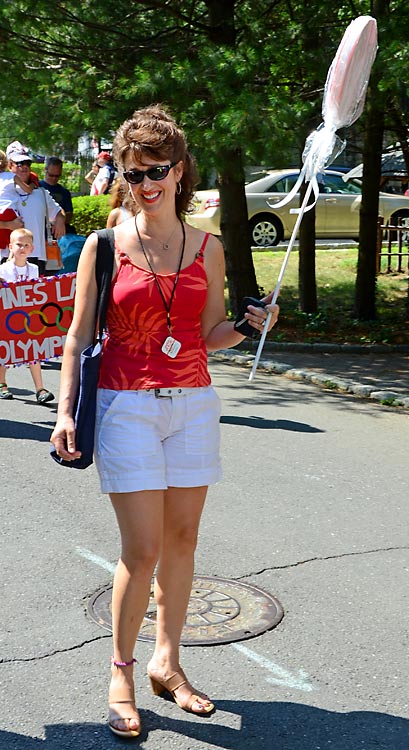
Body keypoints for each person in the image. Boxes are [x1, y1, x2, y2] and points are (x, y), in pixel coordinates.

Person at [50, 104, 278, 739]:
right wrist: (66, 411)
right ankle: (121, 670)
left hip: (194, 404)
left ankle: (166, 662)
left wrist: (252, 325)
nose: (145, 184)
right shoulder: (103, 246)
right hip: (125, 405)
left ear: (180, 171)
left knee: (183, 543)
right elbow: (75, 338)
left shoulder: (209, 248)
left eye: (156, 170)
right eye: (132, 173)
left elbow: (209, 336)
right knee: (142, 549)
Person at [0, 228, 55, 403]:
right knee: (6, 351)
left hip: (28, 318)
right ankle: (2, 383)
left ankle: (40, 388)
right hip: (8, 318)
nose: (22, 248)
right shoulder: (3, 269)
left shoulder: (34, 269)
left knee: (34, 352)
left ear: (32, 249)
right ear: (10, 246)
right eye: (18, 244)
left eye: (26, 245)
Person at [2, 142, 66, 274]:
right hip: (6, 257)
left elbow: (59, 212)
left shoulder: (40, 191)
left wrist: (60, 219)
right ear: (9, 165)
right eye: (19, 164)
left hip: (36, 257)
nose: (24, 167)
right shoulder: (3, 190)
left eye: (27, 163)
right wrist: (8, 224)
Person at [40, 157, 75, 232]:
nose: (54, 178)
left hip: (58, 232)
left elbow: (69, 213)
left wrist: (60, 222)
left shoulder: (64, 192)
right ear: (45, 170)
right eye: (51, 175)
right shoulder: (36, 188)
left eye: (57, 176)